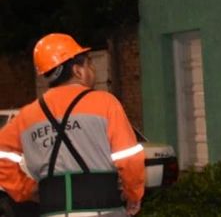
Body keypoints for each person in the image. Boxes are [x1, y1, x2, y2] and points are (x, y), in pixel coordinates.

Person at [0, 33, 145, 216]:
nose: (92, 69)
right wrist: (133, 194)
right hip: (103, 210)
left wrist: (26, 190)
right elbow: (129, 158)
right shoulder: (105, 103)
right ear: (78, 71)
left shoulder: (27, 115)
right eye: (89, 64)